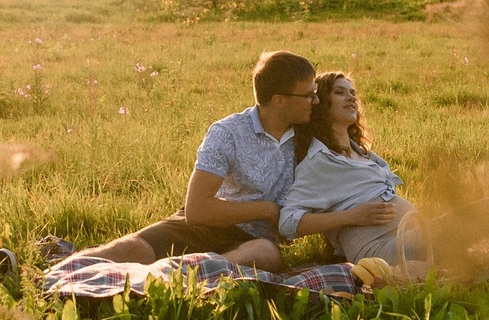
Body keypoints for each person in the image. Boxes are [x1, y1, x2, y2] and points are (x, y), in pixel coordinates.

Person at [277, 70, 489, 281]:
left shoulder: (362, 155)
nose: (351, 97)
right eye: (339, 92)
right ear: (321, 106)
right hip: (386, 252)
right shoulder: (318, 161)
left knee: (478, 234)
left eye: (352, 92)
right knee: (487, 211)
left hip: (409, 237)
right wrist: (352, 217)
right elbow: (288, 222)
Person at [77, 50, 342, 272]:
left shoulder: (309, 137)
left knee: (265, 253)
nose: (316, 101)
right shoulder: (228, 132)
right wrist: (267, 209)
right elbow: (197, 210)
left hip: (256, 240)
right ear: (279, 100)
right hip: (207, 225)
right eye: (308, 95)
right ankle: (53, 275)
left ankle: (178, 273)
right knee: (133, 248)